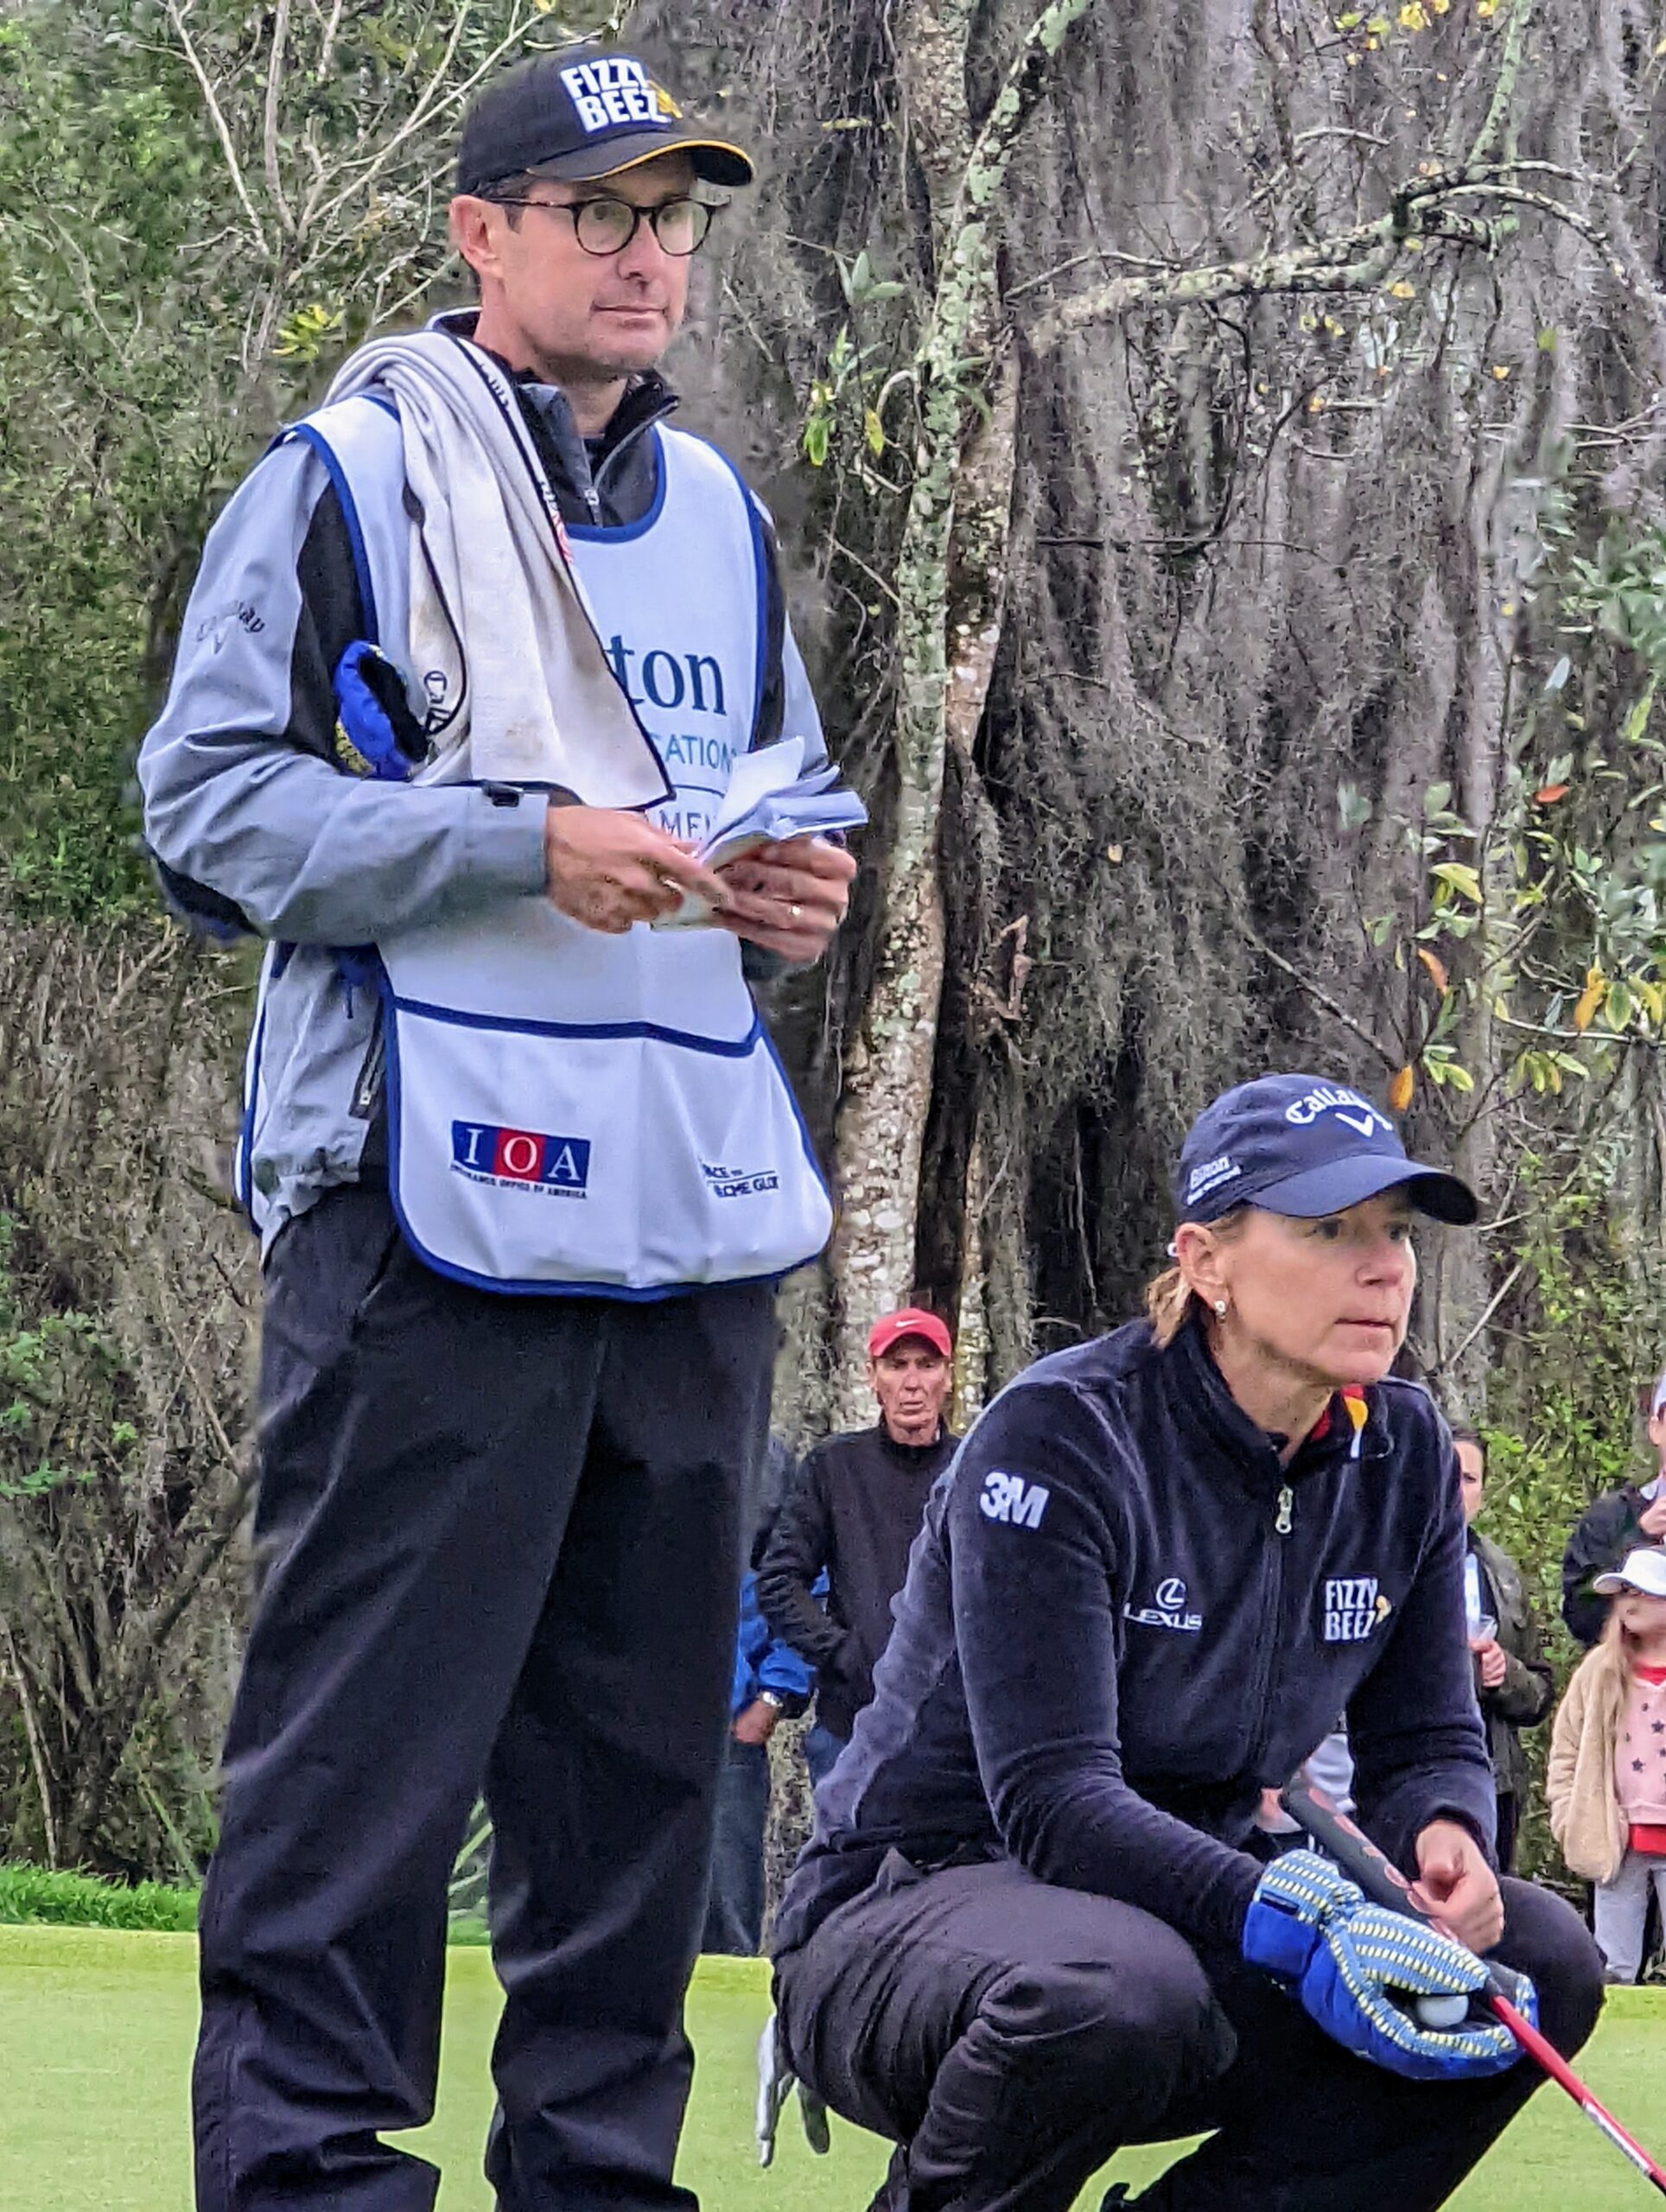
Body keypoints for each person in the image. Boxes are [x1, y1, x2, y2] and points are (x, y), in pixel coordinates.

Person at [138, 45, 856, 2211]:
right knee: (361, 1767)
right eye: (599, 215)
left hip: (677, 1230)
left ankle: (595, 2187)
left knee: (634, 1788)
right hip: (418, 1212)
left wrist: (786, 894)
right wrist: (512, 849)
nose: (648, 257)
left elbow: (764, 795)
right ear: (481, 236)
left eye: (673, 221)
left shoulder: (719, 509)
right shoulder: (353, 474)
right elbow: (205, 813)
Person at [771, 1074, 1604, 2212]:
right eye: (1326, 1230)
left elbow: (1421, 1737)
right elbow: (1055, 1801)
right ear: (1206, 1260)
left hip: (1180, 1916)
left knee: (1536, 1967)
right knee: (1117, 1989)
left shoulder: (1402, 1447)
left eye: (1394, 1234)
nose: (1384, 1266)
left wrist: (1447, 1830)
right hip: (908, 1911)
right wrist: (1305, 1919)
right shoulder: (1063, 1435)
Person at [758, 1307, 957, 1787]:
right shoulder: (834, 1467)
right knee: (849, 1860)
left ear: (948, 1376)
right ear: (872, 1377)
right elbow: (780, 1579)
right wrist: (844, 1653)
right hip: (852, 1728)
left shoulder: (973, 1466)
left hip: (954, 1734)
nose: (912, 1383)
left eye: (926, 1365)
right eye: (896, 1365)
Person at [703, 1440, 816, 1956]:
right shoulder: (632, 1437)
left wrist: (772, 1695)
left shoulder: (768, 1462)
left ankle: (724, 2025)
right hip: (634, 1725)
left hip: (728, 1728)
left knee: (727, 1901)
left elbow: (802, 1585)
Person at [1547, 1546, 1666, 1985]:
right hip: (1616, 1840)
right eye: (1624, 1591)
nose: (1629, 1601)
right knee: (1613, 1966)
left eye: (1644, 1591)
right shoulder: (1599, 1671)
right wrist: (1569, 1815)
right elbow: (1566, 1750)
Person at [1452, 1425, 1553, 1873]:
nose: (1455, 1489)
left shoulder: (1502, 1573)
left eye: (1469, 1479)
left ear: (1483, 1493)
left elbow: (1540, 1692)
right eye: (1445, 1471)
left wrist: (1503, 1672)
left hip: (1493, 1781)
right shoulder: (1382, 1558)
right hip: (1405, 1778)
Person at [1561, 1368, 1666, 1646]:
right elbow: (1582, 1619)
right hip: (1624, 1682)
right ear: (1656, 1429)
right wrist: (1639, 1538)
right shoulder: (1608, 1519)